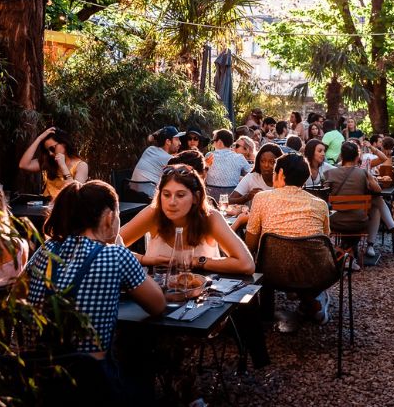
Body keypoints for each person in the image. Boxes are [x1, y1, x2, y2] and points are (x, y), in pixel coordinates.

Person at [25, 181, 165, 357]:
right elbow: (158, 305)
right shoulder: (116, 255)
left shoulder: (47, 249)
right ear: (109, 217)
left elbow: (20, 296)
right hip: (91, 375)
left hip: (37, 371)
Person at [244, 153, 332, 323]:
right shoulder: (320, 204)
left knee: (266, 257)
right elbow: (324, 239)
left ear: (281, 173)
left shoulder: (261, 198)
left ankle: (267, 314)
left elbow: (251, 244)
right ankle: (311, 301)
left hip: (271, 272)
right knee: (301, 256)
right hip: (314, 272)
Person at [119, 167, 254, 274]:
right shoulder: (153, 213)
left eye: (180, 195)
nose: (171, 202)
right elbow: (108, 247)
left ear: (196, 197)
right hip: (159, 297)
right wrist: (147, 260)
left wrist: (197, 262)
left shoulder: (210, 217)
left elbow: (246, 265)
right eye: (166, 195)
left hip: (202, 298)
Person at [19, 127, 89, 199]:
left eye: (52, 148)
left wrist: (63, 166)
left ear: (64, 143)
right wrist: (39, 139)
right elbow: (23, 165)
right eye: (47, 150)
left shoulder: (81, 165)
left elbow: (75, 192)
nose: (50, 153)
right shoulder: (49, 162)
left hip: (67, 207)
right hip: (47, 205)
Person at [130, 126, 183, 198]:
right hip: (149, 198)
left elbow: (150, 139)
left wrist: (155, 135)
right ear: (168, 142)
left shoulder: (149, 149)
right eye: (177, 139)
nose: (180, 143)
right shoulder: (169, 159)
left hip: (130, 194)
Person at [204, 129, 252, 202]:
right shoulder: (239, 158)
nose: (212, 144)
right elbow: (251, 174)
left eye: (213, 141)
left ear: (219, 142)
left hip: (211, 197)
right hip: (232, 198)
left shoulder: (209, 155)